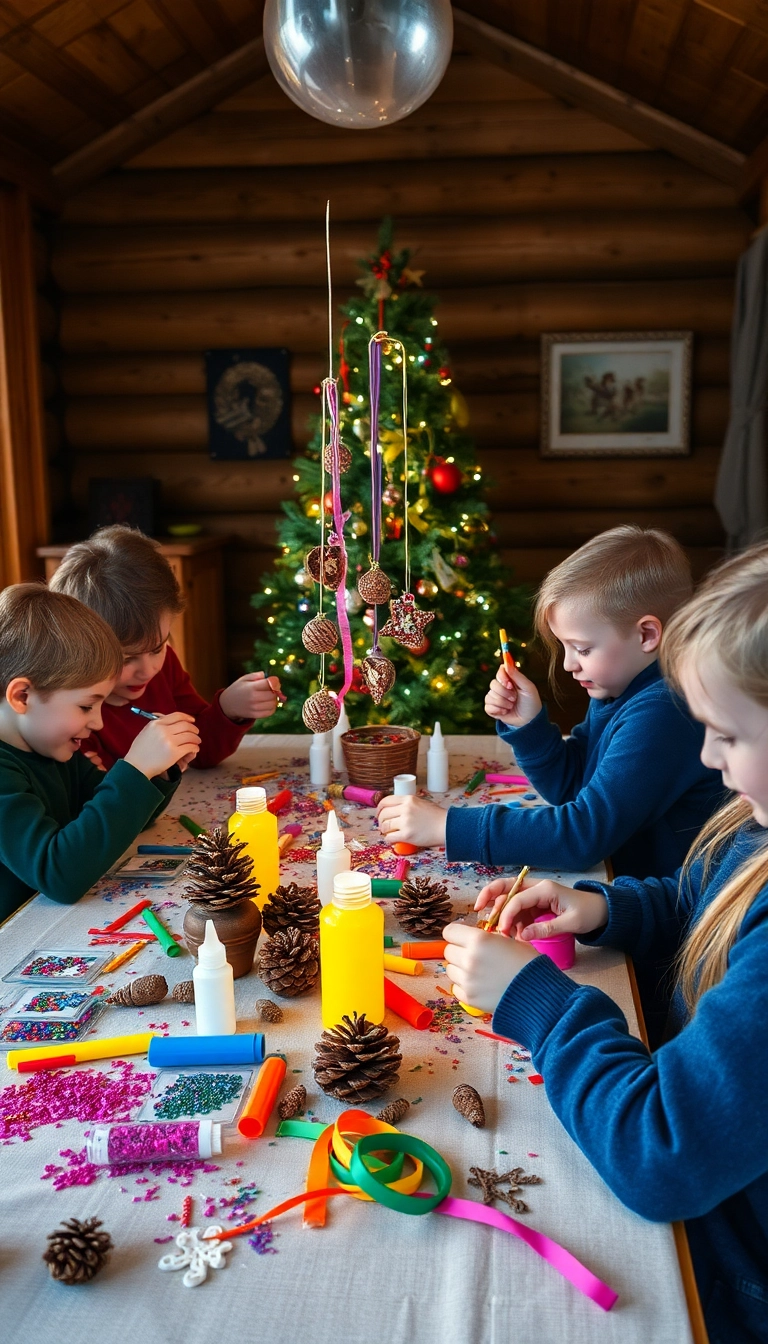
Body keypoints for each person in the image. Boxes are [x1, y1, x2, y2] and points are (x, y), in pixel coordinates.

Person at [443, 543, 768, 1344]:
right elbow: (699, 898)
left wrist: (539, 1006)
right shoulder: (754, 832)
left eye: (726, 734)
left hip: (730, 1266)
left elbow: (663, 1153)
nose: (705, 758)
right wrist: (599, 906)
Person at [377, 527, 723, 879]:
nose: (569, 664)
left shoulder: (664, 712)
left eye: (583, 649)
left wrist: (447, 827)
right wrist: (529, 727)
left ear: (647, 635)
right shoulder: (620, 687)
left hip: (670, 918)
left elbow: (582, 835)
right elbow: (574, 787)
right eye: (565, 647)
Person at [0, 584, 200, 921]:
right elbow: (60, 875)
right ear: (22, 696)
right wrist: (134, 772)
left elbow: (116, 823)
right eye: (86, 705)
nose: (98, 721)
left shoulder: (52, 747)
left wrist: (157, 772)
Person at [50, 525, 283, 771]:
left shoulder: (165, 666)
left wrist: (229, 708)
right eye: (127, 659)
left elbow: (201, 751)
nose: (148, 670)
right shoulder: (72, 711)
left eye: (157, 648)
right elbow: (100, 797)